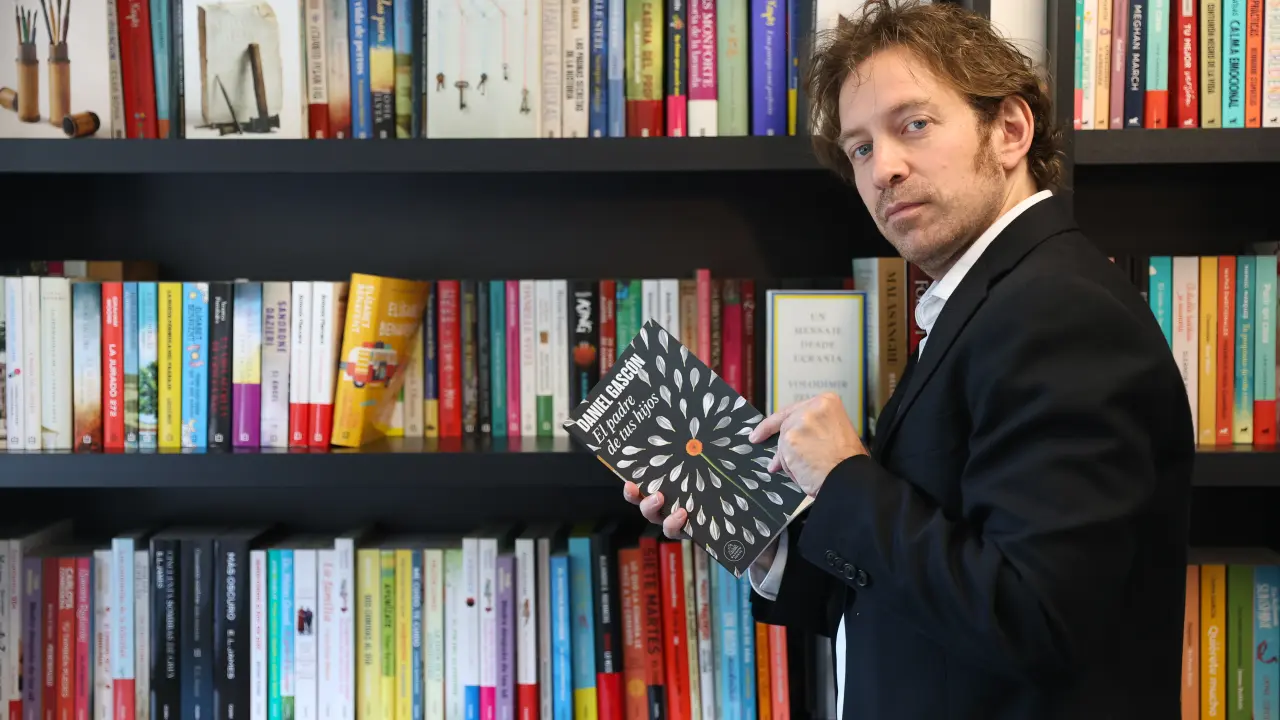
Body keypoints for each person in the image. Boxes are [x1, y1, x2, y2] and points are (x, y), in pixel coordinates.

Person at [621, 1, 1195, 718]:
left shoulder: (1059, 311)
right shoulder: (989, 301)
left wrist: (844, 477)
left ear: (1010, 130)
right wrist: (765, 539)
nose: (883, 169)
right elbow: (925, 590)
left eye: (914, 124)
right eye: (860, 149)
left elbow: (1036, 618)